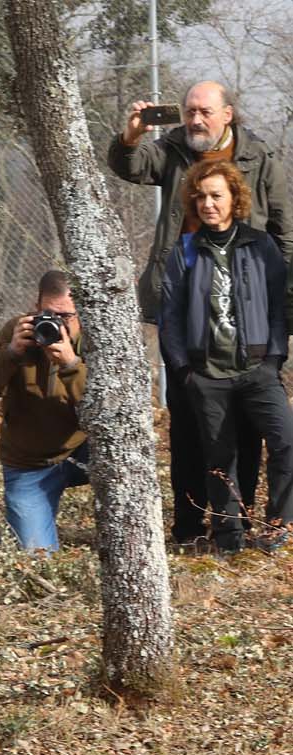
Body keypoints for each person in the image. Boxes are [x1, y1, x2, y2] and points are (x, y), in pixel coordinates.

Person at [108, 80, 291, 545]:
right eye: (189, 111)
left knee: (245, 428)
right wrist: (131, 135)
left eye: (205, 111)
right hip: (186, 301)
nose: (195, 120)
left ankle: (238, 522)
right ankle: (190, 526)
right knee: (189, 425)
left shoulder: (260, 158)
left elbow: (285, 233)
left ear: (227, 113)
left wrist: (280, 316)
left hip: (246, 308)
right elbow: (130, 166)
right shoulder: (173, 149)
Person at [159, 160, 293, 553]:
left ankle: (277, 528)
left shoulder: (260, 246)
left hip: (258, 369)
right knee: (220, 459)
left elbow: (277, 308)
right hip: (207, 375)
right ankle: (229, 539)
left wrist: (273, 359)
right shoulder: (184, 251)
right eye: (200, 196)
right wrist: (185, 370)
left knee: (286, 442)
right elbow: (170, 318)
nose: (208, 204)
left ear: (235, 198)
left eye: (216, 195)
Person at [0, 271, 88, 551]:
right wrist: (10, 354)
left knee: (124, 461)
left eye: (66, 316)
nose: (57, 324)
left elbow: (109, 411)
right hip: (31, 461)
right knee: (35, 556)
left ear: (81, 313)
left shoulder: (96, 336)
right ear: (36, 307)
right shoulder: (18, 331)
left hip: (85, 450)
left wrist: (71, 364)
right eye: (49, 314)